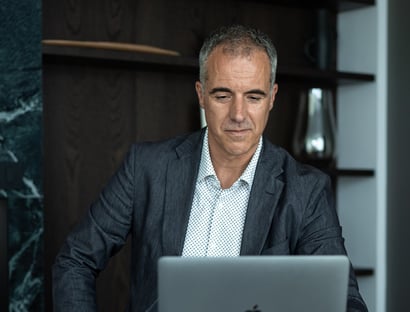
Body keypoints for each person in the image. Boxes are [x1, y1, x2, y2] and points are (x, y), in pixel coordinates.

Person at [52, 25, 368, 312]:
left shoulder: (306, 190)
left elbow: (346, 301)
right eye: (222, 95)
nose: (239, 114)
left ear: (271, 98)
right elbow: (75, 259)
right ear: (201, 95)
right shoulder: (146, 167)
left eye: (253, 96)